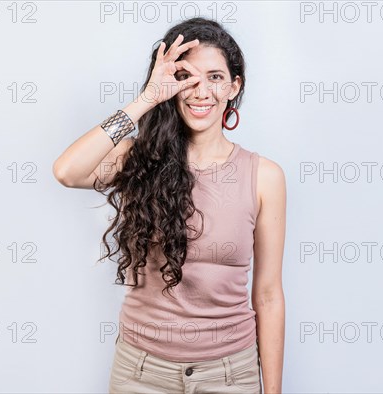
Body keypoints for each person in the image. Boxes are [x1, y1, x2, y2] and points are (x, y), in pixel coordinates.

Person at [53, 17, 286, 394]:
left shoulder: (265, 177)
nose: (200, 91)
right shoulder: (139, 159)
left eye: (214, 77)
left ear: (233, 86)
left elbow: (269, 294)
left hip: (230, 374)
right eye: (187, 77)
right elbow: (67, 171)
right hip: (141, 373)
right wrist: (145, 100)